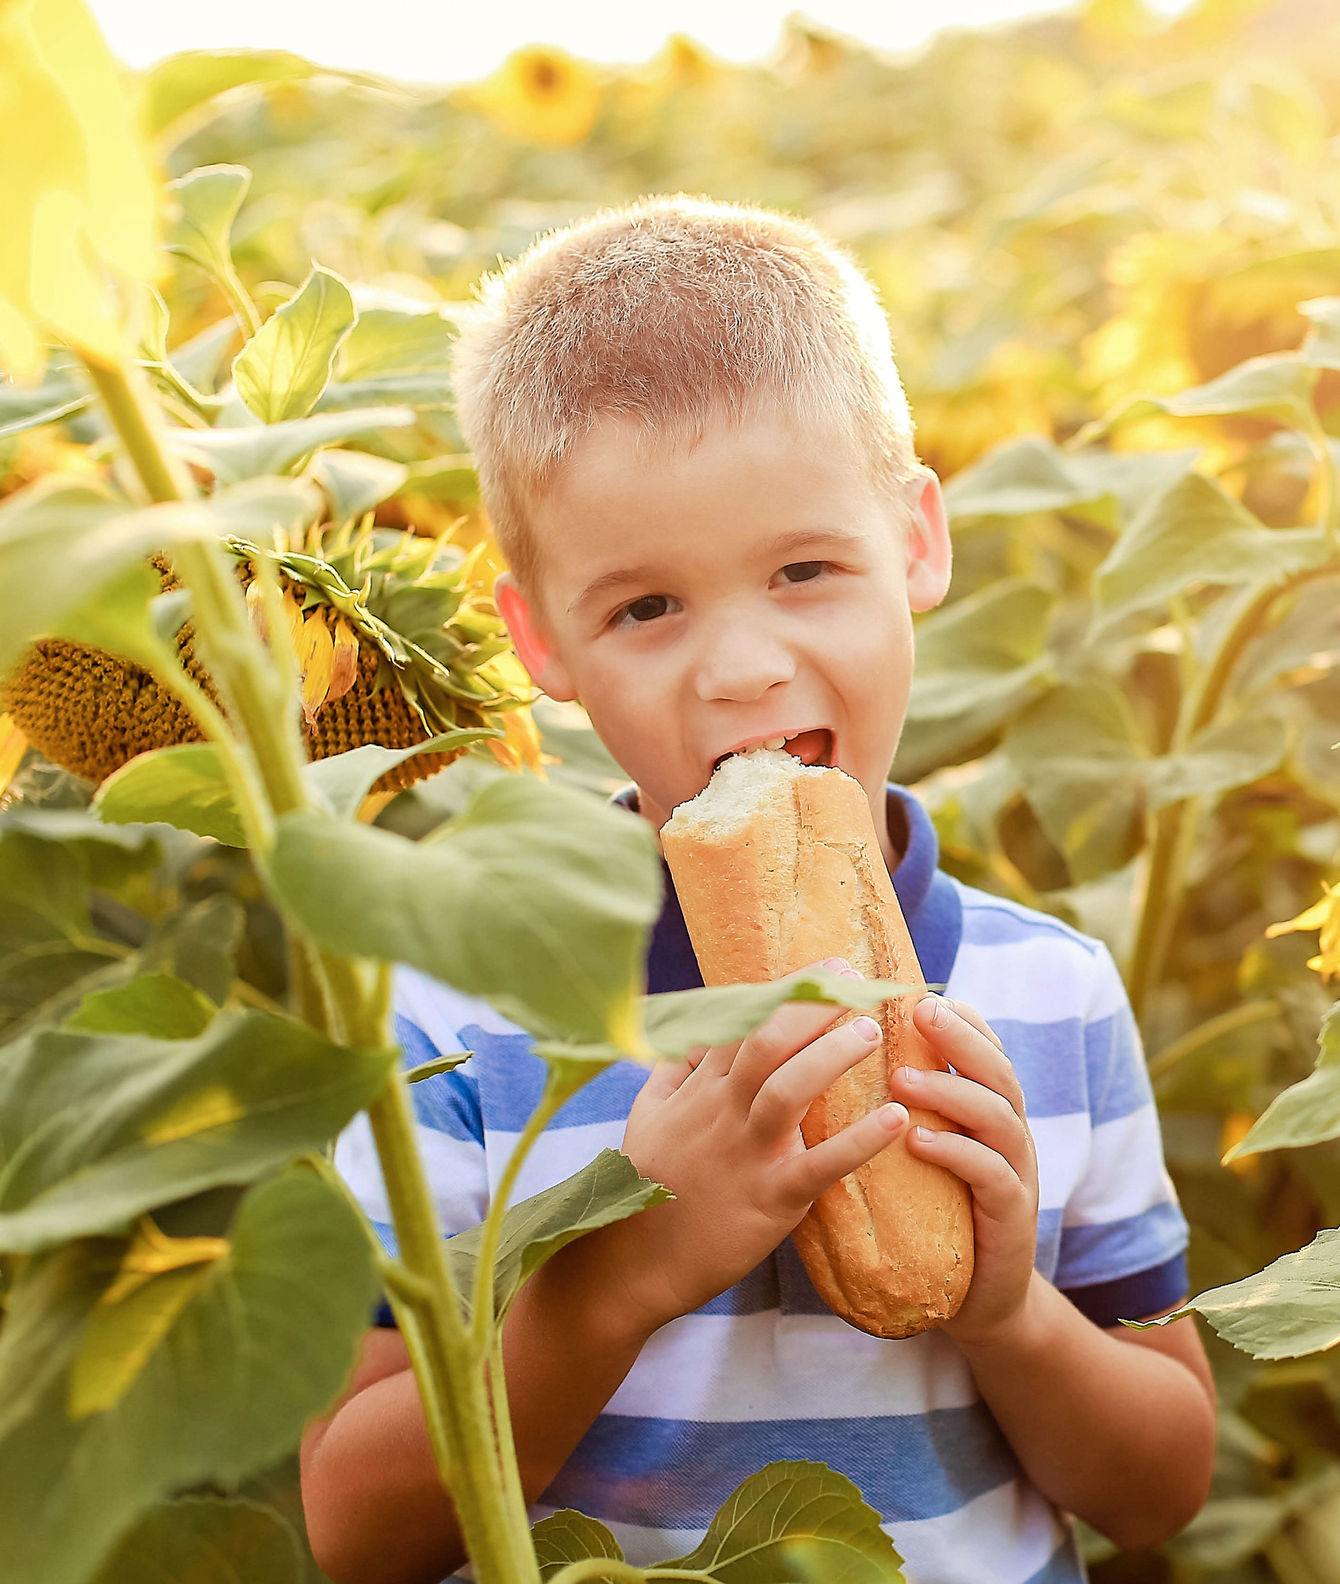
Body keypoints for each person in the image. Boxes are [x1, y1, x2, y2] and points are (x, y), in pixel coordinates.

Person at [300, 197, 1216, 1584]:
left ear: (915, 542)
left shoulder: (1048, 994)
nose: (741, 668)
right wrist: (615, 1280)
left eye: (806, 570)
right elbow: (353, 1530)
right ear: (541, 639)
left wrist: (1008, 1308)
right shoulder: (459, 1017)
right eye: (646, 608)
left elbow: (1159, 1490)